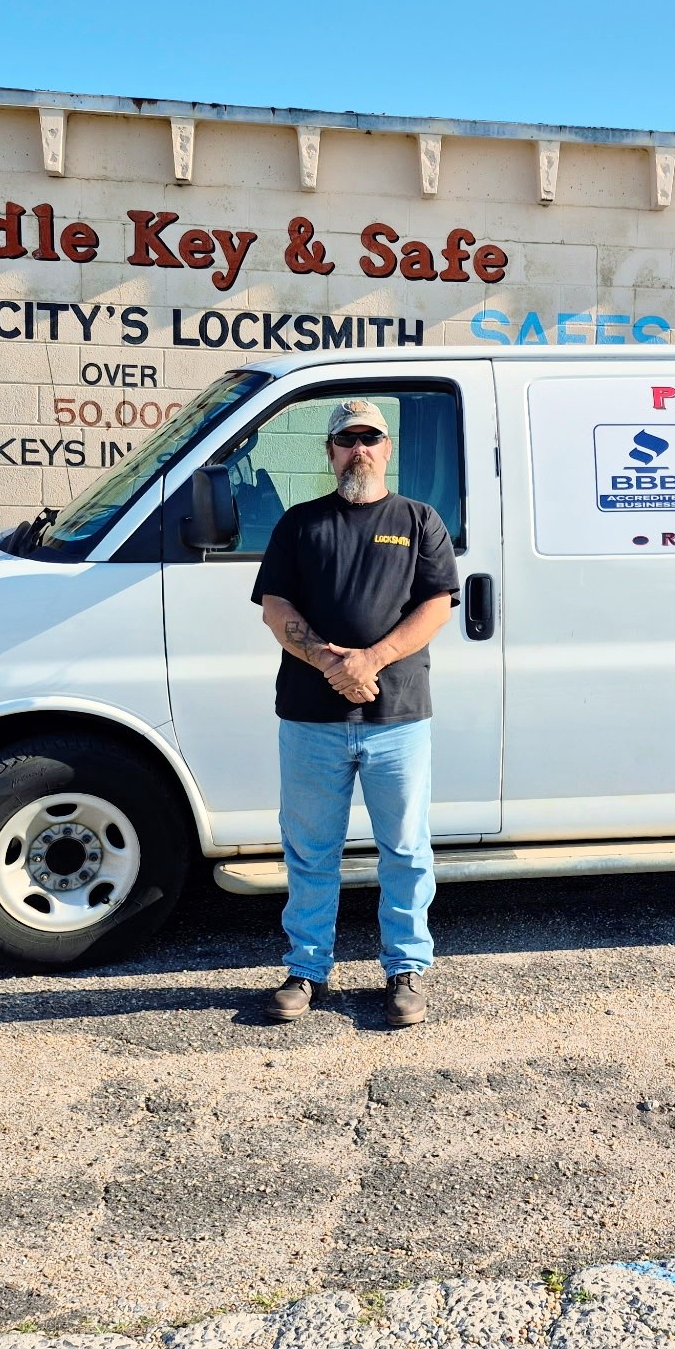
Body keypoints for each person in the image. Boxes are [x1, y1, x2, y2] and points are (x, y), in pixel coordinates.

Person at [250, 399, 459, 1027]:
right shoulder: (300, 524)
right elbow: (276, 608)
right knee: (311, 851)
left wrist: (371, 660)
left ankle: (405, 971)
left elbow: (436, 606)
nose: (358, 450)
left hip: (398, 718)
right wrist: (328, 661)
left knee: (405, 849)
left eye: (370, 438)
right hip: (310, 717)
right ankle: (306, 970)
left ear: (387, 448)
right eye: (347, 440)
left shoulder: (419, 521)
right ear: (330, 451)